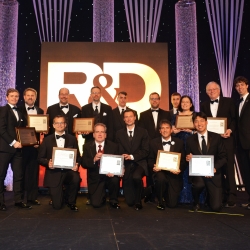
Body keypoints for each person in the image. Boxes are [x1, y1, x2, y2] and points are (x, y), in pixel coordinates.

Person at [200, 81, 237, 207]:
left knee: (229, 168)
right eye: (209, 90)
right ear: (206, 92)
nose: (212, 91)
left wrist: (230, 130)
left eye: (214, 89)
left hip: (227, 140)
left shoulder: (229, 102)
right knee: (216, 167)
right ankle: (219, 195)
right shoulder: (204, 105)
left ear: (219, 90)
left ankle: (232, 195)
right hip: (213, 142)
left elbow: (234, 120)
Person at [38, 115, 81, 211]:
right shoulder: (47, 140)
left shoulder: (72, 139)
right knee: (57, 206)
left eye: (62, 123)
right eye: (57, 123)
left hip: (68, 172)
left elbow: (78, 157)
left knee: (75, 178)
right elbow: (40, 158)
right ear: (53, 125)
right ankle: (59, 197)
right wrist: (47, 163)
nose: (59, 125)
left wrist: (77, 164)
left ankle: (71, 202)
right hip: (54, 173)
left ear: (65, 124)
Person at [186, 112, 227, 212]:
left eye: (201, 121)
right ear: (193, 124)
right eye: (196, 122)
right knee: (199, 185)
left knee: (216, 207)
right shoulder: (190, 140)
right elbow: (187, 156)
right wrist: (188, 158)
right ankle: (196, 201)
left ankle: (209, 198)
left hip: (213, 173)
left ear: (206, 122)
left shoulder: (216, 137)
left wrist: (214, 168)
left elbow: (223, 157)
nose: (199, 124)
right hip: (198, 174)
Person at [0, 88, 31, 211]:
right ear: (7, 97)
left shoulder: (21, 111)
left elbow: (23, 130)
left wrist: (28, 140)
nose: (14, 98)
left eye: (16, 96)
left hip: (18, 149)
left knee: (18, 175)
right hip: (5, 149)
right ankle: (1, 202)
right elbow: (1, 129)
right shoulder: (2, 110)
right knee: (1, 175)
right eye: (12, 96)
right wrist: (13, 142)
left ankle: (18, 200)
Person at [138, 92, 171, 202]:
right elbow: (142, 133)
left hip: (164, 146)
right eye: (152, 99)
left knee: (164, 172)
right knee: (150, 170)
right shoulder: (143, 115)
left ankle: (162, 194)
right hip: (149, 147)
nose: (154, 100)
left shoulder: (167, 114)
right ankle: (151, 194)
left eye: (156, 99)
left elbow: (169, 130)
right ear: (149, 100)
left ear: (159, 100)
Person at [148, 119, 185, 210]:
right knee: (160, 178)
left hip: (173, 174)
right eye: (162, 128)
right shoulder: (153, 142)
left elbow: (183, 160)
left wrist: (179, 169)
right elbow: (150, 159)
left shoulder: (179, 143)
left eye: (167, 128)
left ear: (171, 130)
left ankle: (166, 196)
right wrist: (154, 166)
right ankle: (160, 200)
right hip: (160, 172)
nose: (165, 130)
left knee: (172, 204)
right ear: (160, 131)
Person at [116, 110, 149, 210]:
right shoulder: (119, 133)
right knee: (130, 201)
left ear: (135, 117)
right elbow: (119, 150)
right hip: (126, 163)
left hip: (140, 162)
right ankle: (142, 193)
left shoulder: (143, 132)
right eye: (126, 117)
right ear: (123, 119)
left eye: (131, 116)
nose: (129, 119)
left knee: (136, 177)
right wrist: (122, 163)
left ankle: (139, 201)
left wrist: (132, 156)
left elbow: (145, 151)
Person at [82, 123, 120, 208]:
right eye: (97, 132)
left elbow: (118, 162)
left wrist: (114, 171)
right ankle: (101, 196)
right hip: (95, 178)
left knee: (114, 180)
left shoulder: (113, 146)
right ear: (93, 134)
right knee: (96, 204)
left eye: (102, 132)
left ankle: (113, 199)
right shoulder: (87, 146)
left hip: (109, 176)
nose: (99, 134)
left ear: (105, 135)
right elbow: (84, 163)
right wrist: (94, 160)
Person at [18, 88, 44, 205]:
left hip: (34, 147)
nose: (30, 97)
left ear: (35, 97)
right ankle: (20, 198)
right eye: (28, 95)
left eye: (32, 95)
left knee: (33, 172)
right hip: (21, 147)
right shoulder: (18, 109)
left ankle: (32, 198)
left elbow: (42, 129)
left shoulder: (40, 110)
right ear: (24, 97)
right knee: (21, 172)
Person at [172, 95, 195, 203]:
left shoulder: (196, 115)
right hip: (179, 145)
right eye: (183, 102)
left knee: (191, 169)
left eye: (187, 102)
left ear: (191, 104)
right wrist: (174, 131)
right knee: (180, 168)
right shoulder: (175, 116)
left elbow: (201, 129)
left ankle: (193, 197)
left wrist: (192, 131)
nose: (185, 104)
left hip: (192, 145)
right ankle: (182, 197)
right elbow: (170, 130)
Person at [234, 76, 250, 209]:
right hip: (241, 144)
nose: (239, 87)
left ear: (247, 85)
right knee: (246, 172)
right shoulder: (237, 103)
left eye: (241, 85)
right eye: (237, 86)